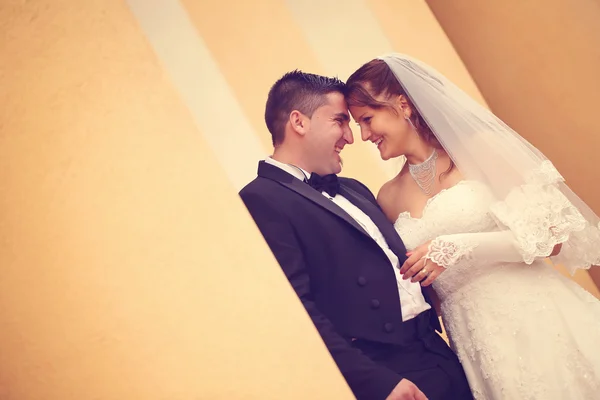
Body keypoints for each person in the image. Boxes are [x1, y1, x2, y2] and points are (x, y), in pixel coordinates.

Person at [345, 53, 600, 400]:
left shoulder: (478, 151)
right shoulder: (387, 198)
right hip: (476, 345)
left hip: (540, 321)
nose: (363, 135)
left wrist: (458, 246)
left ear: (402, 105)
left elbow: (554, 235)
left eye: (367, 119)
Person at [239, 70, 473, 400]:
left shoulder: (354, 190)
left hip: (439, 354)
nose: (351, 138)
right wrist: (375, 382)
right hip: (388, 375)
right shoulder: (261, 199)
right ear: (299, 122)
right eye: (340, 121)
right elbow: (299, 309)